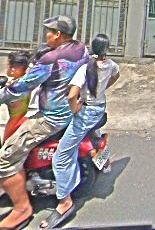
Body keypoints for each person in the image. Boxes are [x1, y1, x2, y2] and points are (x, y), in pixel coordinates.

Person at [0, 16, 88, 230]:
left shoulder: (50, 60)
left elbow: (22, 87)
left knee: (5, 158)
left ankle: (22, 209)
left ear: (58, 34)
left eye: (49, 31)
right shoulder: (81, 49)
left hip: (51, 118)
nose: (46, 35)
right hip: (74, 109)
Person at [39, 33, 120, 230]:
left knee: (60, 158)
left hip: (86, 113)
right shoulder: (111, 65)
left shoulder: (85, 69)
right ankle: (102, 160)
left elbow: (71, 95)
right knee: (82, 132)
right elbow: (115, 76)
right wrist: (99, 89)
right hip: (99, 108)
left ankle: (64, 202)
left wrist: (76, 108)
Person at [3, 52, 38, 143]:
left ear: (13, 69)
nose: (8, 69)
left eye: (8, 66)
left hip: (16, 121)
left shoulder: (18, 85)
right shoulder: (22, 81)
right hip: (19, 119)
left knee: (7, 144)